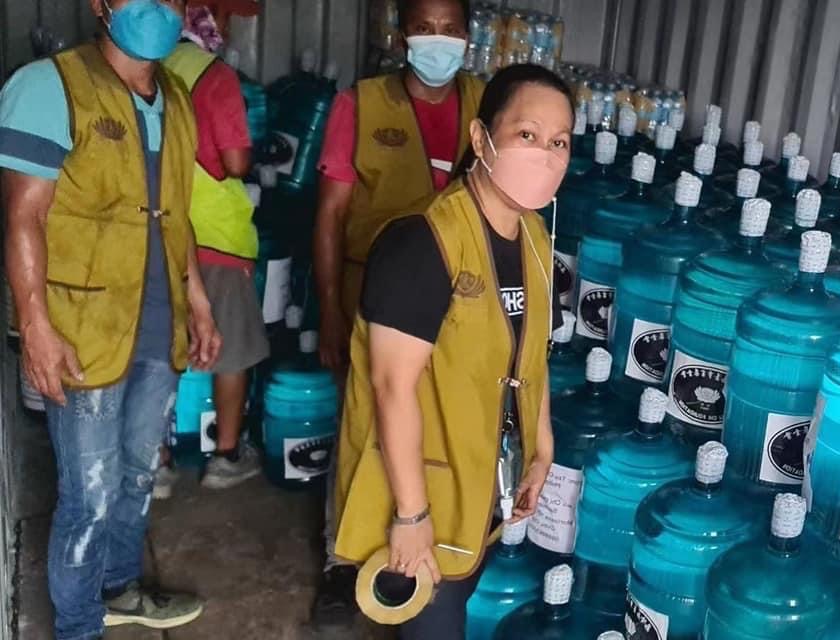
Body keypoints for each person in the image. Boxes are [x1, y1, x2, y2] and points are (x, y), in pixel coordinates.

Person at [0, 0, 222, 638]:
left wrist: (199, 304)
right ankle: (77, 627)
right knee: (89, 493)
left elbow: (176, 216)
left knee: (135, 476)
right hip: (82, 327)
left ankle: (119, 588)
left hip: (159, 323)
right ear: (101, 4)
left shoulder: (175, 95)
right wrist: (35, 325)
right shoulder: (49, 86)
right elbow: (23, 218)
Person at [331, 63, 572, 639]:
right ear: (480, 139)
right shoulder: (421, 242)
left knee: (456, 600)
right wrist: (411, 516)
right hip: (422, 491)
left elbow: (530, 355)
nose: (545, 154)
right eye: (527, 135)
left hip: (482, 481)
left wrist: (541, 448)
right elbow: (392, 388)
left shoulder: (536, 239)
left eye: (559, 142)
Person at [307, 0, 483, 629]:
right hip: (371, 298)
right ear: (402, 35)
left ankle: (421, 561)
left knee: (434, 430)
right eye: (424, 29)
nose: (438, 42)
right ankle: (342, 562)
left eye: (450, 31)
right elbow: (329, 213)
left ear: (468, 38)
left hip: (459, 307)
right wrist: (329, 311)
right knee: (362, 428)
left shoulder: (483, 104)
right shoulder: (363, 103)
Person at [151, 2, 268, 498]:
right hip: (213, 238)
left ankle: (154, 461)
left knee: (158, 352)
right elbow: (236, 161)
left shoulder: (143, 66)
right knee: (231, 351)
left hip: (153, 232)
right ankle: (225, 455)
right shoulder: (215, 76)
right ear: (208, 18)